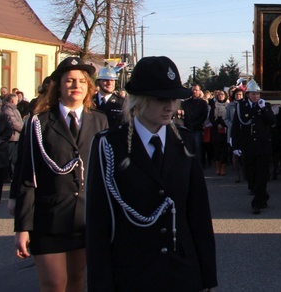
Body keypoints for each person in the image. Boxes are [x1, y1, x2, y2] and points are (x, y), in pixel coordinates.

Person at [85, 56, 217, 291]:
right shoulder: (109, 145)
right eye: (161, 99)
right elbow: (98, 223)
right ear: (139, 100)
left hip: (181, 272)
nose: (171, 107)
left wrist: (206, 276)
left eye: (174, 99)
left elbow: (198, 212)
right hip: (132, 273)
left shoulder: (183, 141)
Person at [11, 57, 108, 292]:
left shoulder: (100, 120)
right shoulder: (38, 123)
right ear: (59, 85)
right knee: (55, 285)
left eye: (82, 81)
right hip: (48, 219)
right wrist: (22, 227)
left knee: (78, 281)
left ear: (88, 87)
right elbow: (26, 175)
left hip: (86, 218)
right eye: (70, 81)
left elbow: (107, 173)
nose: (76, 86)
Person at [230, 79, 276, 214]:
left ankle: (257, 203)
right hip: (248, 145)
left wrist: (263, 109)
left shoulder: (265, 105)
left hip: (263, 146)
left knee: (262, 174)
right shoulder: (241, 106)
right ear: (248, 94)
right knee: (250, 175)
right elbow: (236, 126)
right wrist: (235, 145)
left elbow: (272, 121)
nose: (255, 96)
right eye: (253, 94)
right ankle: (262, 195)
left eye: (257, 94)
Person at [181, 84, 209, 168]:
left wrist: (195, 124)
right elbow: (184, 115)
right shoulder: (186, 103)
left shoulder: (203, 103)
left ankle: (198, 165)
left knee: (197, 147)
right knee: (188, 147)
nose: (194, 92)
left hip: (198, 128)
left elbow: (203, 116)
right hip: (187, 128)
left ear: (199, 91)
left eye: (196, 90)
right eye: (193, 90)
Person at [0, 93, 23, 185]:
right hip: (11, 138)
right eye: (16, 99)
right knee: (10, 159)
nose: (17, 101)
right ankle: (8, 176)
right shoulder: (7, 110)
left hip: (16, 137)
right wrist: (24, 129)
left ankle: (12, 175)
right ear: (13, 100)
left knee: (14, 158)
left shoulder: (14, 109)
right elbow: (14, 123)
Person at [225, 87, 244, 183]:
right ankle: (237, 174)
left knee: (245, 153)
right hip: (233, 132)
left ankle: (245, 172)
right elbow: (226, 119)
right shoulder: (230, 106)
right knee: (235, 154)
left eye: (240, 94)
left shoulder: (245, 105)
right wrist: (232, 125)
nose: (238, 96)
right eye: (237, 95)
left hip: (244, 132)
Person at [209, 89, 230, 176]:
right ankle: (218, 167)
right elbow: (211, 117)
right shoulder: (214, 105)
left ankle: (223, 167)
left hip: (225, 129)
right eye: (219, 94)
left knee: (224, 149)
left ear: (225, 96)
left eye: (222, 94)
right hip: (216, 130)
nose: (220, 96)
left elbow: (229, 117)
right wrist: (216, 125)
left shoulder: (228, 105)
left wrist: (224, 125)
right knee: (217, 149)